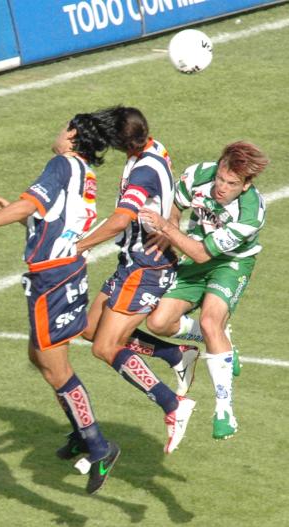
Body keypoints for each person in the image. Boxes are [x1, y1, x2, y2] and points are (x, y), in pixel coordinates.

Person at [0, 111, 121, 495]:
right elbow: (53, 221)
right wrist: (11, 210)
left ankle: (98, 446)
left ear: (72, 135)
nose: (57, 133)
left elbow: (31, 205)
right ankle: (81, 431)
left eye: (63, 127)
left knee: (55, 366)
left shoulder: (61, 164)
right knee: (37, 355)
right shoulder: (86, 175)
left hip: (52, 279)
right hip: (67, 270)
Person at [73, 106, 198, 456]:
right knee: (89, 328)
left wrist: (78, 246)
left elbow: (119, 220)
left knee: (105, 347)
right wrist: (168, 225)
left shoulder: (142, 171)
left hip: (146, 269)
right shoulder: (156, 149)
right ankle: (176, 353)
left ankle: (173, 404)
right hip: (132, 263)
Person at [139, 141, 269, 440]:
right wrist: (169, 229)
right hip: (192, 249)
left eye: (231, 184)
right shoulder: (198, 174)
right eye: (221, 178)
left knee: (212, 321)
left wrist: (168, 230)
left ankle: (225, 410)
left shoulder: (250, 213)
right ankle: (223, 341)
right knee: (158, 323)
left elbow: (202, 255)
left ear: (247, 185)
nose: (221, 187)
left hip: (230, 264)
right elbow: (176, 204)